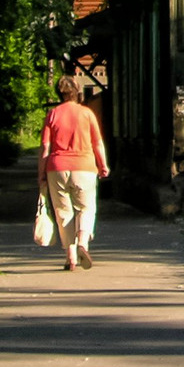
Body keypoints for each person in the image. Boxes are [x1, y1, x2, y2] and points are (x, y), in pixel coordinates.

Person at [38, 75, 109, 271]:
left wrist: (41, 174)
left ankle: (71, 258)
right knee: (86, 208)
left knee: (63, 212)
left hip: (57, 168)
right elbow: (97, 143)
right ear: (77, 92)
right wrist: (103, 166)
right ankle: (83, 244)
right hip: (84, 167)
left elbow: (45, 148)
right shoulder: (87, 114)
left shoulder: (52, 114)